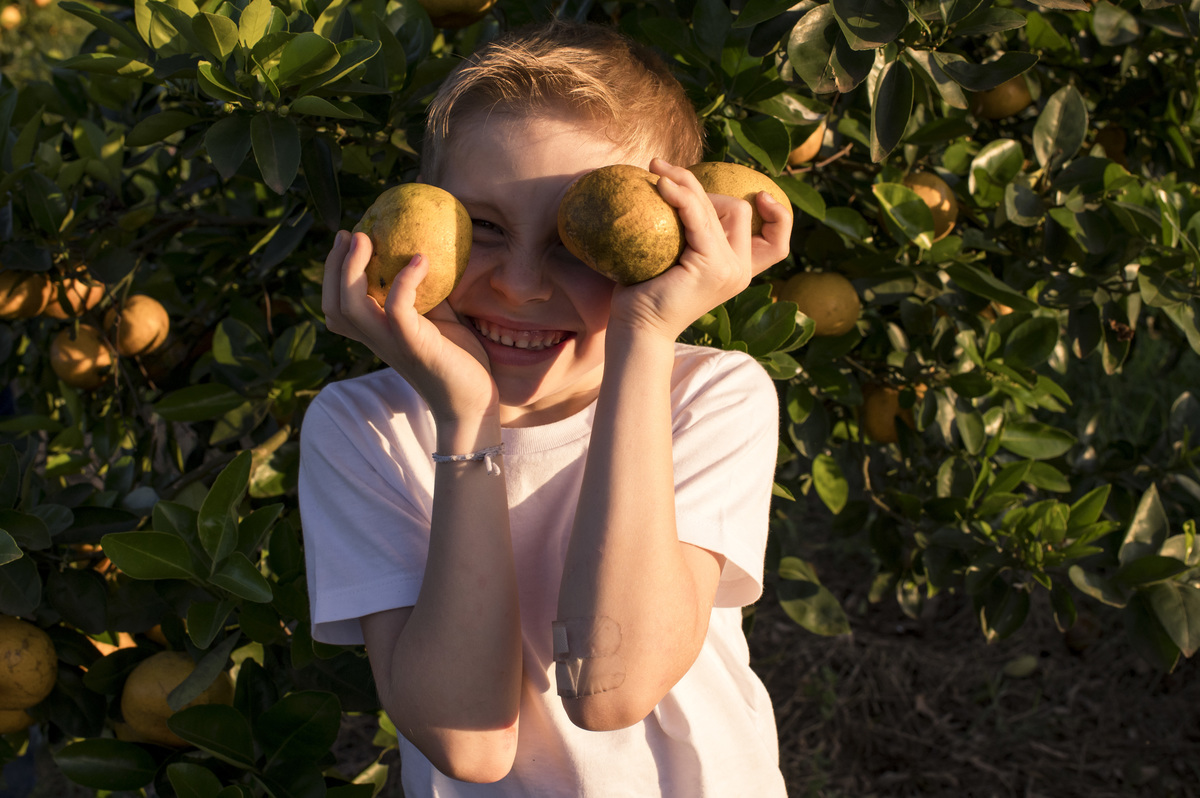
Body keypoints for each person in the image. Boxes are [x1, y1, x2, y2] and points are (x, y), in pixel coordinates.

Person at [299, 18, 793, 797]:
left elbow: (612, 688)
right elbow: (471, 745)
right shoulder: (363, 428)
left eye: (577, 235)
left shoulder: (711, 396)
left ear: (671, 241)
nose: (522, 284)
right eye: (484, 228)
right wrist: (467, 425)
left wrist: (648, 333)